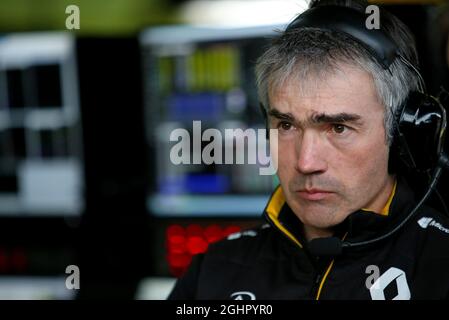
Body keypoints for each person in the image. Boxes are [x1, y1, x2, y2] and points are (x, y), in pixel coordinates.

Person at [168, 0, 449, 300]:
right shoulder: (213, 271)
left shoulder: (439, 266)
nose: (306, 162)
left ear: (402, 133)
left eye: (338, 128)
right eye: (286, 126)